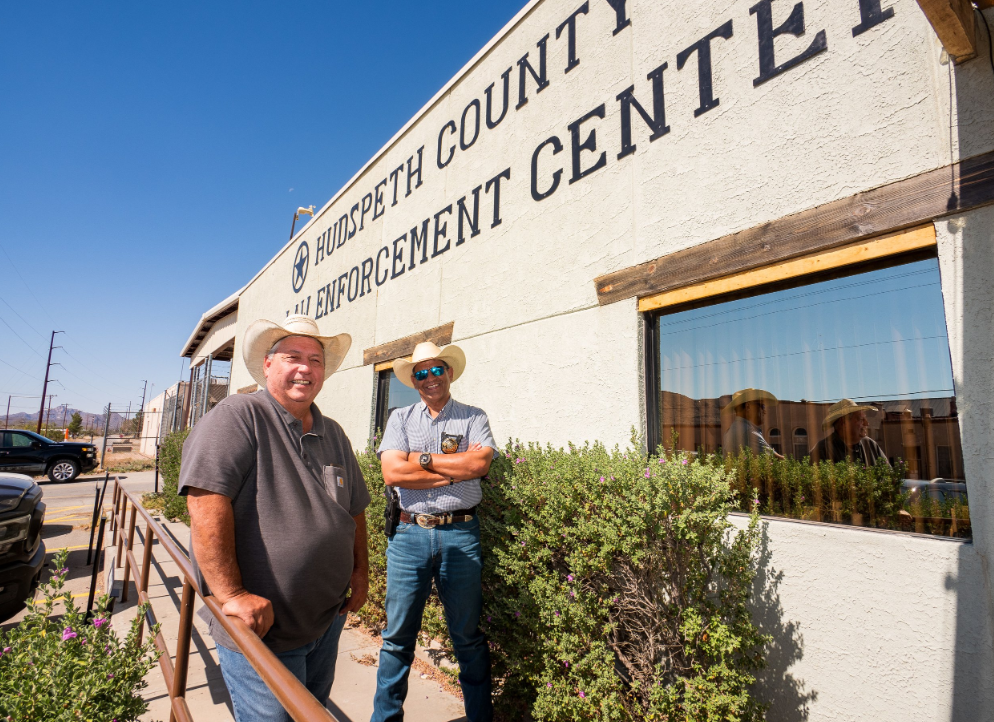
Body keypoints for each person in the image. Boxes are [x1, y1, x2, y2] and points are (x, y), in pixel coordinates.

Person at [179, 315, 371, 722]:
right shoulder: (239, 416)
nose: (305, 368)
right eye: (292, 356)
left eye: (315, 360)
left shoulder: (334, 432)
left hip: (326, 621)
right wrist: (232, 596)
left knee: (311, 713)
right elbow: (205, 504)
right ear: (268, 364)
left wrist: (359, 573)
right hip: (262, 632)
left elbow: (354, 510)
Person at [371, 341, 497, 722]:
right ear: (414, 380)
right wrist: (452, 470)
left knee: (468, 637)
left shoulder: (474, 416)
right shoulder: (400, 419)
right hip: (408, 536)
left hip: (461, 533)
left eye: (436, 370)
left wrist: (420, 460)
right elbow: (393, 473)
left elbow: (479, 464)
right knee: (397, 640)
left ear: (450, 373)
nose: (430, 378)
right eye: (421, 373)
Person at [811, 399, 890, 467]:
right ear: (844, 423)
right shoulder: (822, 451)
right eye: (861, 419)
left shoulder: (870, 445)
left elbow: (890, 478)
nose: (866, 424)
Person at [721, 388, 783, 458]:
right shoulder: (748, 431)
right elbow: (776, 459)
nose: (764, 411)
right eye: (762, 406)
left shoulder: (732, 429)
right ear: (748, 406)